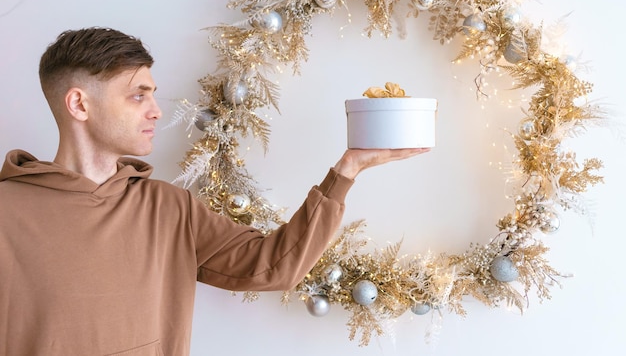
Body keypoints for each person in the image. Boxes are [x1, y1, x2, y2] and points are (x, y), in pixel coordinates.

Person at [0, 27, 429, 355]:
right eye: (137, 96)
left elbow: (273, 267)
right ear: (79, 104)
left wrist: (347, 170)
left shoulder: (169, 208)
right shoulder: (7, 212)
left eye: (153, 94)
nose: (156, 110)